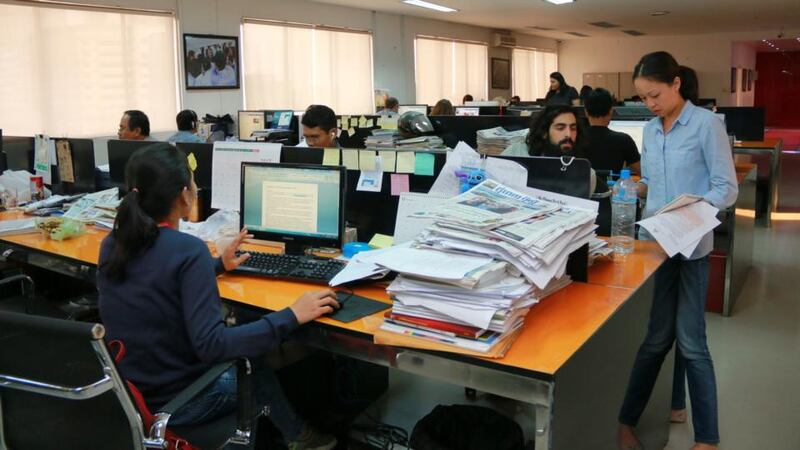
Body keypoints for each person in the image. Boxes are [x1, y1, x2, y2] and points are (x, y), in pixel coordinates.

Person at [97, 143, 338, 450]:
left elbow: (157, 278)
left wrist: (217, 266)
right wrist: (292, 314)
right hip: (182, 402)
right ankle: (298, 436)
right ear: (185, 195)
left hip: (132, 391)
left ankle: (291, 433)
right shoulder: (187, 250)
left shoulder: (114, 242)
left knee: (249, 333)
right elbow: (213, 345)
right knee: (252, 358)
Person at [617, 51, 737, 450]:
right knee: (655, 339)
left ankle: (707, 437)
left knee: (691, 342)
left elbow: (727, 188)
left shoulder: (706, 125)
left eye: (654, 95)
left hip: (692, 245)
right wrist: (632, 189)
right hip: (657, 244)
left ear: (676, 84)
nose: (649, 104)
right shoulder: (651, 130)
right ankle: (633, 419)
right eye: (643, 98)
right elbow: (651, 181)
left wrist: (690, 210)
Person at [583, 88, 641, 174]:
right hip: (612, 186)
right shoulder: (624, 140)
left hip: (583, 187)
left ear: (586, 112)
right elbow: (641, 171)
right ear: (611, 111)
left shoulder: (576, 138)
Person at [501, 104, 586, 158]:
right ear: (544, 132)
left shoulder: (584, 172)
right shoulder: (516, 153)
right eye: (560, 128)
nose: (569, 134)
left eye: (573, 128)